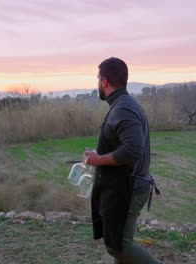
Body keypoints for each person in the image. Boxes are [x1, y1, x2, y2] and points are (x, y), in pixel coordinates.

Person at [84, 57, 160, 263]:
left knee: (118, 246)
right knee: (120, 242)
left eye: (98, 78)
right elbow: (124, 145)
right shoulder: (123, 104)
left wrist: (99, 160)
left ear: (104, 81)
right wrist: (99, 155)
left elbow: (132, 150)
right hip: (126, 186)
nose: (98, 82)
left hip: (129, 188)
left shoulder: (123, 108)